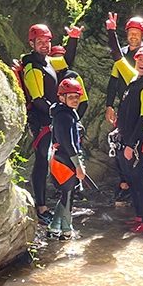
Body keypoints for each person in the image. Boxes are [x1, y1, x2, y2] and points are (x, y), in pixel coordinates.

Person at [19, 22, 81, 222]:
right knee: (41, 163)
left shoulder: (47, 62)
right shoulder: (33, 67)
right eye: (40, 42)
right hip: (42, 122)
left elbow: (67, 62)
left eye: (47, 41)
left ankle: (52, 202)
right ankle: (42, 208)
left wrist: (73, 38)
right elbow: (37, 99)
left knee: (50, 161)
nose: (44, 45)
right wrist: (57, 113)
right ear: (32, 43)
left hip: (50, 119)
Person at [104, 13, 143, 206]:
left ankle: (137, 192)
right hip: (125, 106)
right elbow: (114, 79)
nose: (133, 36)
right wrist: (109, 105)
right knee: (119, 146)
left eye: (137, 33)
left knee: (137, 151)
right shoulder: (124, 53)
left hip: (141, 110)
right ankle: (125, 185)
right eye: (131, 33)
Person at [116, 44, 143, 233]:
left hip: (137, 141)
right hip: (126, 138)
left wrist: (130, 145)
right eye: (140, 60)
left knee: (141, 181)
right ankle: (140, 216)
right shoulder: (135, 81)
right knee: (132, 180)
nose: (142, 63)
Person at [48, 77, 87, 239]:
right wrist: (78, 166)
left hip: (61, 159)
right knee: (68, 196)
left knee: (66, 194)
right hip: (66, 161)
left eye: (77, 96)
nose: (75, 100)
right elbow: (69, 143)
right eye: (71, 97)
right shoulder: (65, 116)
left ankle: (54, 228)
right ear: (62, 97)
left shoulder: (64, 113)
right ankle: (66, 230)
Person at [50, 44, 89, 120]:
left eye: (61, 58)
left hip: (69, 115)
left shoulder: (73, 76)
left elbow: (83, 102)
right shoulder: (47, 76)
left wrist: (76, 119)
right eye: (56, 58)